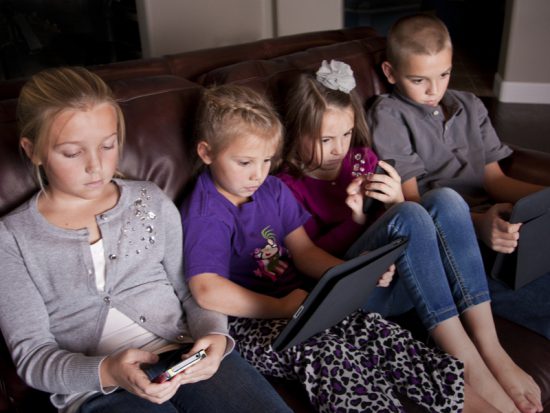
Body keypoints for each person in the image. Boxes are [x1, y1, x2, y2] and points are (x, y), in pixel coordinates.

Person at [180, 83, 502, 413]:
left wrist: (353, 271)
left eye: (266, 160)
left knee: (383, 335)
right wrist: (281, 307)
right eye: (245, 162)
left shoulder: (273, 189)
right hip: (248, 322)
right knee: (331, 354)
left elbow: (304, 252)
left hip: (302, 303)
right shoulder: (207, 211)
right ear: (207, 153)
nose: (258, 174)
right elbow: (207, 291)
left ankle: (480, 407)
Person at [0, 66, 292, 413]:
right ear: (33, 151)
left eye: (108, 146)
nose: (96, 166)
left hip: (184, 354)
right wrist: (106, 370)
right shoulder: (12, 238)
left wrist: (214, 335)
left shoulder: (148, 200)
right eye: (72, 153)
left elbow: (191, 290)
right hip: (99, 389)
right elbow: (33, 359)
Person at [276, 60, 542, 413]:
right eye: (326, 139)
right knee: (410, 212)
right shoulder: (284, 188)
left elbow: (402, 225)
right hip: (355, 297)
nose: (339, 149)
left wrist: (393, 203)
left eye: (346, 134)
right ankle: (466, 362)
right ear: (296, 133)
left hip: (406, 280)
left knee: (444, 200)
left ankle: (490, 347)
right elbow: (309, 258)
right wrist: (359, 218)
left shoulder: (361, 159)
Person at [368, 13, 550, 340]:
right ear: (390, 73)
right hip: (448, 235)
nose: (434, 89)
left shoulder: (471, 105)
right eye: (419, 79)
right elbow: (411, 203)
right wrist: (480, 224)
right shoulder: (389, 115)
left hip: (497, 221)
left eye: (444, 74)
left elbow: (495, 180)